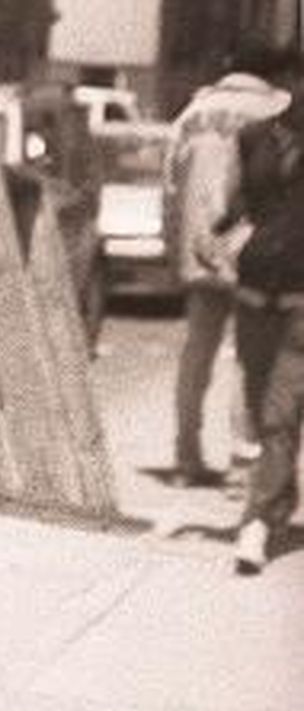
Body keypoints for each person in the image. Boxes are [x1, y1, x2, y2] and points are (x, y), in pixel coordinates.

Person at [162, 37, 292, 487]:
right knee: (251, 357)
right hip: (256, 250)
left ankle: (185, 456)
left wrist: (175, 246)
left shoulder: (192, 113)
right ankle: (244, 462)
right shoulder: (276, 110)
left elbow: (171, 185)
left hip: (199, 247)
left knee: (197, 351)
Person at [219, 54, 304, 575]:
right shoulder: (253, 138)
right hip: (254, 296)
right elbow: (233, 208)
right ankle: (278, 503)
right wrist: (222, 238)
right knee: (263, 412)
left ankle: (255, 524)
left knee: (278, 413)